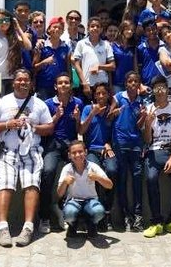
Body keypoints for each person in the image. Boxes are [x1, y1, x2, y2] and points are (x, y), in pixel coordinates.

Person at [0, 68, 54, 248]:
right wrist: (8, 124)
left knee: (31, 183)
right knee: (5, 183)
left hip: (31, 150)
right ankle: (3, 227)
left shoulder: (39, 104)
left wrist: (34, 127)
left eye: (26, 80)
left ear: (31, 83)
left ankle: (28, 227)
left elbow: (50, 127)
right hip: (7, 150)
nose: (23, 83)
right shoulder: (2, 102)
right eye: (19, 80)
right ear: (13, 82)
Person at [142, 80, 171, 238]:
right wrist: (148, 124)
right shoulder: (148, 109)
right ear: (153, 90)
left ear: (168, 89)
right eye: (157, 88)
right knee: (150, 178)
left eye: (163, 87)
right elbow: (147, 140)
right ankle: (156, 221)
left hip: (170, 150)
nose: (160, 90)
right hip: (153, 151)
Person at [38, 73, 84, 234]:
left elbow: (79, 130)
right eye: (60, 83)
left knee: (79, 171)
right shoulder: (48, 104)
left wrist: (78, 119)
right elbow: (44, 128)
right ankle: (44, 216)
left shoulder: (78, 102)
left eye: (66, 83)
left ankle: (76, 214)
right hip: (53, 143)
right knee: (48, 172)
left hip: (70, 144)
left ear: (71, 85)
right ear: (55, 87)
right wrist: (56, 116)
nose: (63, 85)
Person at [109, 70, 146, 231]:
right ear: (126, 83)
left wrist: (144, 117)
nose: (133, 84)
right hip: (120, 143)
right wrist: (114, 112)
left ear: (139, 84)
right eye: (130, 81)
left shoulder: (142, 101)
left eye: (136, 81)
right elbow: (108, 116)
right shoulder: (118, 98)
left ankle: (138, 215)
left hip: (136, 145)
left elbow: (139, 126)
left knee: (137, 180)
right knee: (122, 180)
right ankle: (126, 215)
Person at [78, 82, 117, 230]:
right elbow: (81, 130)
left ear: (108, 95)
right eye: (98, 93)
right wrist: (92, 114)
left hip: (108, 150)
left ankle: (106, 212)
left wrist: (108, 144)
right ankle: (93, 215)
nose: (101, 96)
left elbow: (115, 133)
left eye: (104, 93)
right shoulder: (88, 109)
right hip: (92, 150)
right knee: (94, 175)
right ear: (94, 95)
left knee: (112, 171)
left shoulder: (111, 112)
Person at [57, 140, 114, 240]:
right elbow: (59, 193)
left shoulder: (93, 166)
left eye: (80, 151)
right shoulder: (67, 168)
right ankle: (72, 225)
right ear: (69, 155)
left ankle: (91, 225)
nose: (78, 155)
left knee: (99, 211)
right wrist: (65, 182)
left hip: (90, 201)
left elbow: (110, 185)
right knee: (69, 213)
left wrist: (98, 178)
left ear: (86, 152)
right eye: (74, 153)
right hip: (74, 200)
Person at [0, 9, 30, 97]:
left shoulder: (15, 37)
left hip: (13, 77)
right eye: (0, 20)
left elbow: (28, 46)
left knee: (11, 105)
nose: (4, 22)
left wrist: (18, 28)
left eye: (6, 20)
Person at [73, 17, 115, 100]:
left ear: (101, 29)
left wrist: (99, 67)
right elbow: (76, 64)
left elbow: (112, 66)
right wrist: (84, 83)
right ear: (88, 28)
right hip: (87, 84)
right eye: (92, 26)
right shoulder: (81, 44)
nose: (95, 28)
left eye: (97, 26)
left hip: (102, 85)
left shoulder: (106, 45)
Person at [33, 16, 70, 100]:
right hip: (43, 86)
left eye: (60, 28)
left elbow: (68, 68)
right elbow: (34, 68)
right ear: (49, 29)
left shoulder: (66, 48)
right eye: (54, 27)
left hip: (60, 87)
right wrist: (44, 62)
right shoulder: (41, 46)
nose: (57, 29)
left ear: (62, 31)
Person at [109, 20, 137, 94]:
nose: (130, 32)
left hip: (131, 83)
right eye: (128, 29)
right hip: (116, 83)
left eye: (132, 30)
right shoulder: (112, 46)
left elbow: (135, 67)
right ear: (122, 30)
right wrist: (110, 85)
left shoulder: (133, 47)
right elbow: (110, 69)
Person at [137, 18, 163, 89]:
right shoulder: (141, 48)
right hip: (146, 85)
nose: (151, 32)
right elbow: (138, 68)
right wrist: (141, 85)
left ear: (157, 29)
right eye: (148, 30)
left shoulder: (164, 46)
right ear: (144, 33)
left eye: (153, 29)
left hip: (163, 84)